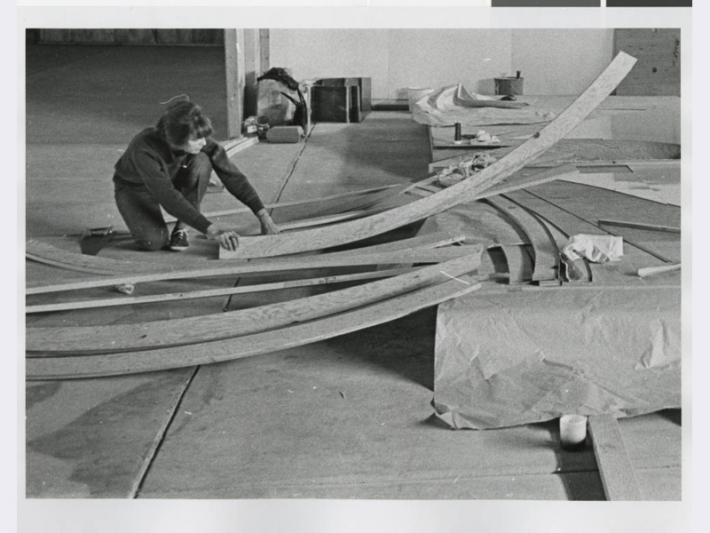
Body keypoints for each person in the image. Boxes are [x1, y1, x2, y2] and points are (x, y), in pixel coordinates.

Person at [113, 96, 279, 253]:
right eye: (197, 140)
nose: (204, 142)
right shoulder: (144, 149)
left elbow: (231, 175)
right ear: (175, 141)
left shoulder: (196, 138)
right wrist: (212, 230)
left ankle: (182, 227)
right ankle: (166, 222)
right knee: (154, 242)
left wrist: (263, 215)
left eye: (204, 137)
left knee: (202, 161)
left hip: (170, 179)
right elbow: (167, 196)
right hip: (135, 188)